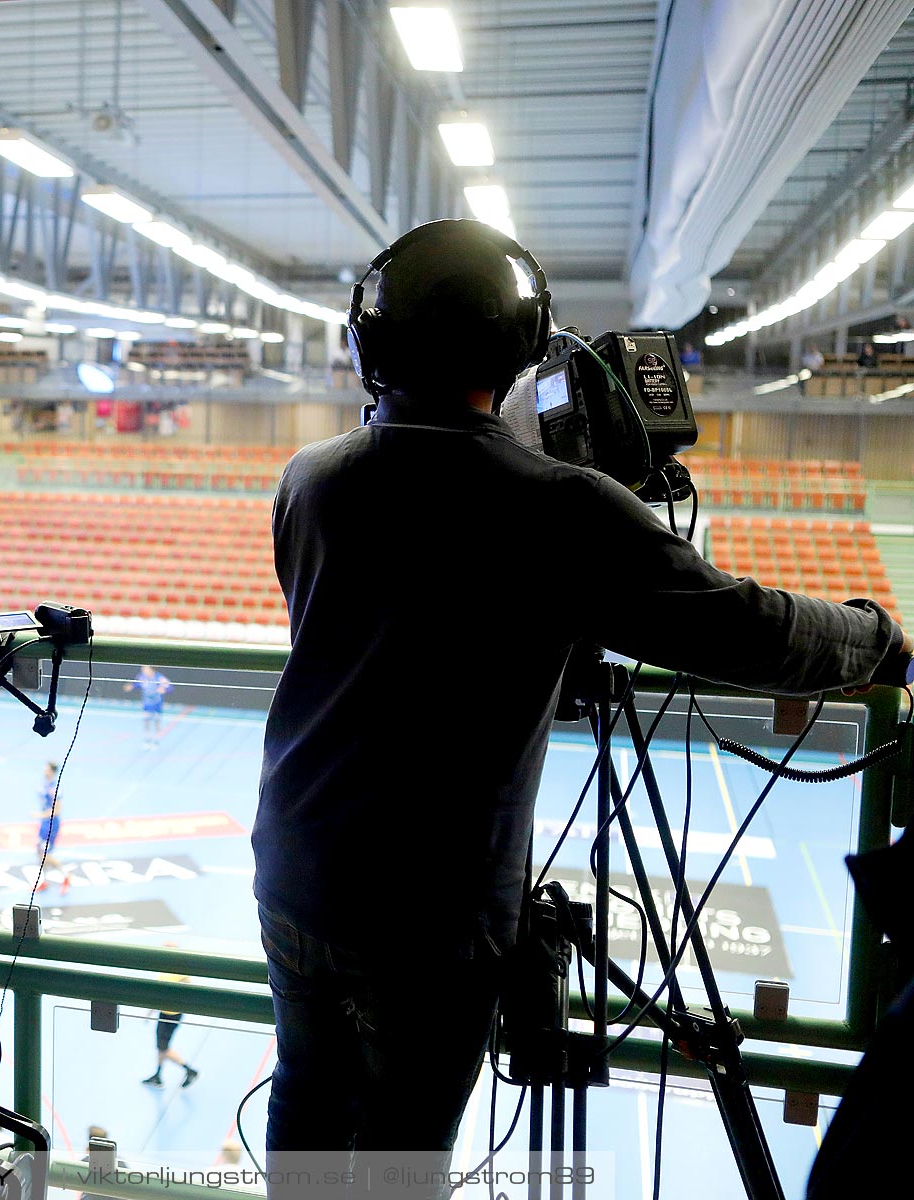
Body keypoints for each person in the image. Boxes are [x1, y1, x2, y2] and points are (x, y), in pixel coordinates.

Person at [257, 218, 912, 1188]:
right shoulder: (563, 508)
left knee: (305, 1103)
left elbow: (391, 617)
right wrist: (878, 641)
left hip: (297, 868)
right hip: (435, 913)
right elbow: (744, 628)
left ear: (370, 347)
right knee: (403, 1152)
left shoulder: (307, 481)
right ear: (524, 350)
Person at [141, 943, 198, 1088]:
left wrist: (150, 1011)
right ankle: (158, 1075)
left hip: (169, 1014)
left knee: (163, 1048)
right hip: (170, 1012)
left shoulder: (171, 973)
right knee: (161, 1046)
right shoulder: (177, 969)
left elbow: (162, 993)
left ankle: (189, 1070)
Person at [33, 762, 69, 894]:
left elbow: (57, 810)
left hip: (51, 825)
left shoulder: (55, 788)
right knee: (39, 851)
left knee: (44, 853)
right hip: (44, 823)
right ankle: (44, 880)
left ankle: (66, 875)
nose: (44, 770)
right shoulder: (45, 785)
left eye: (46, 768)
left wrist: (40, 815)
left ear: (52, 771)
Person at [124, 665, 172, 750]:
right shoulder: (142, 677)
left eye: (145, 668)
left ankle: (156, 741)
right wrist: (130, 687)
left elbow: (170, 687)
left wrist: (164, 690)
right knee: (147, 722)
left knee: (157, 723)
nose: (143, 669)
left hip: (157, 704)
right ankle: (147, 741)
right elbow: (136, 684)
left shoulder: (159, 677)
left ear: (151, 669)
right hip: (147, 704)